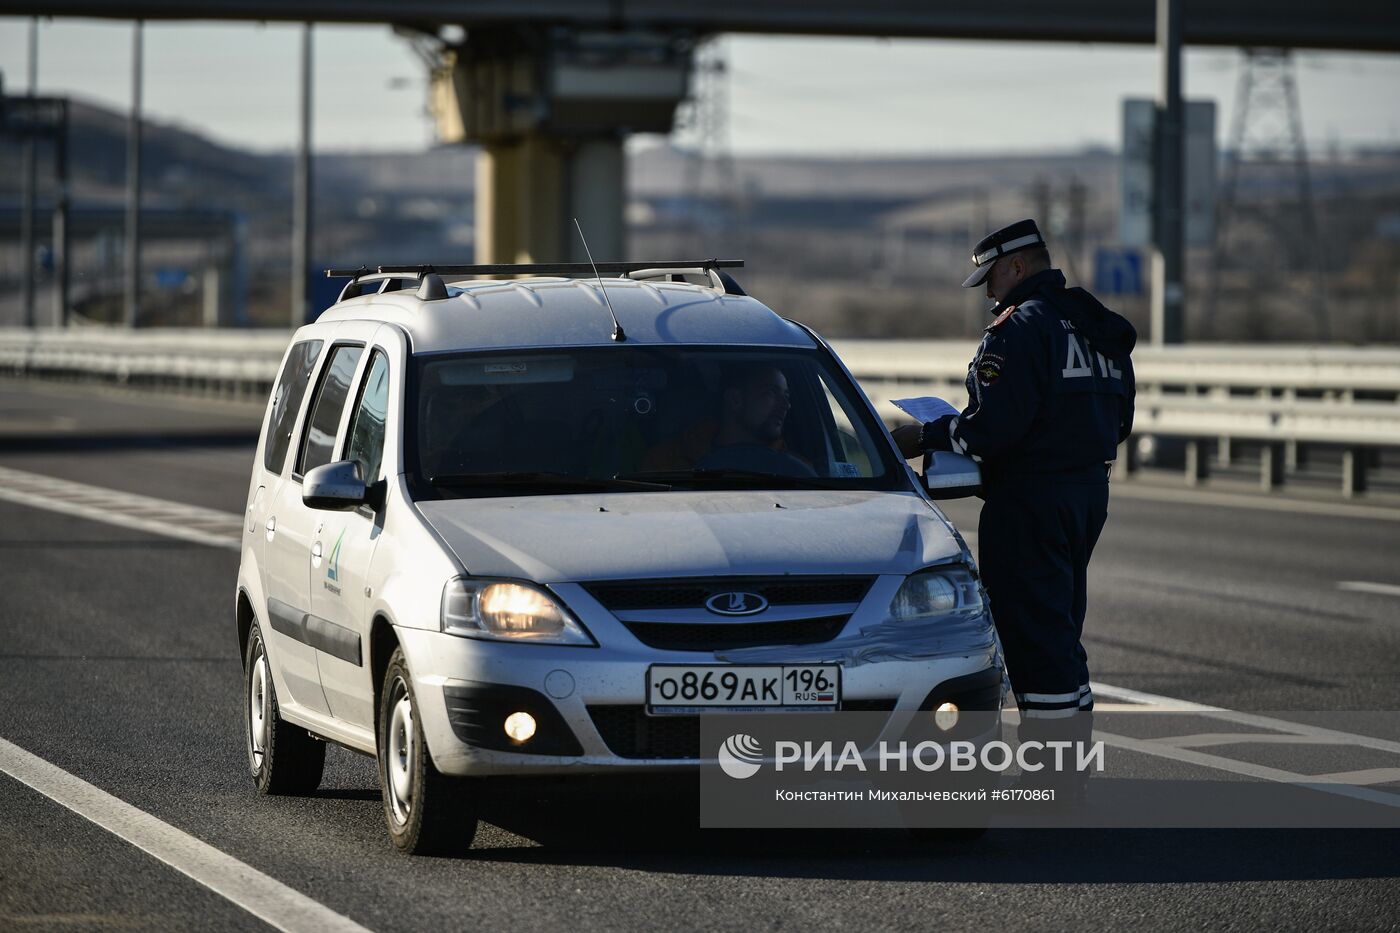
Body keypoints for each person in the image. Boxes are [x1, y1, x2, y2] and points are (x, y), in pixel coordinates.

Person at [892, 219, 1136, 791]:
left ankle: (1052, 781)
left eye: (992, 279)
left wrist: (927, 435)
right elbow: (1119, 424)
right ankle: (1068, 769)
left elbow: (991, 431)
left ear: (1018, 265)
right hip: (1086, 492)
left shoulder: (1020, 328)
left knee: (1033, 635)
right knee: (1060, 629)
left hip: (1030, 498)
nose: (990, 293)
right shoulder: (1094, 323)